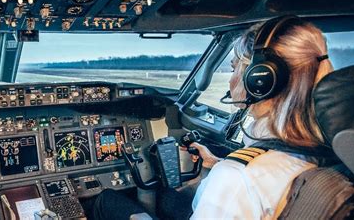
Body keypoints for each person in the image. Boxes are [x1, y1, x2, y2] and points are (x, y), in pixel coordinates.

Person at [93, 16, 335, 219]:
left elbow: (247, 184)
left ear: (259, 80)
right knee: (166, 197)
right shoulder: (326, 151)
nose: (230, 81)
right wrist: (216, 163)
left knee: (108, 200)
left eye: (234, 69)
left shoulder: (236, 178)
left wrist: (225, 171)